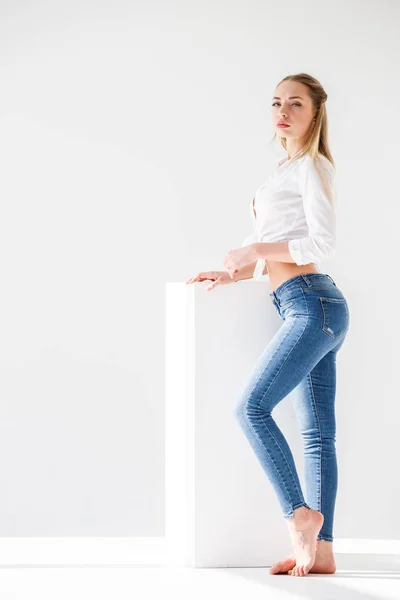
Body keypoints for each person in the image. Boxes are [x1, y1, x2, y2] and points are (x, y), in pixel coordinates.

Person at [186, 72, 349, 577]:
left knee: (251, 408)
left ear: (315, 112)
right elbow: (275, 242)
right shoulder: (283, 171)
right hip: (303, 304)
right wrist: (232, 272)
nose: (283, 111)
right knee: (318, 435)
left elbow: (321, 244)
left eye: (295, 103)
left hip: (312, 303)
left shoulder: (313, 167)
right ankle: (321, 553)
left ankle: (300, 516)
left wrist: (255, 249)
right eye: (277, 102)